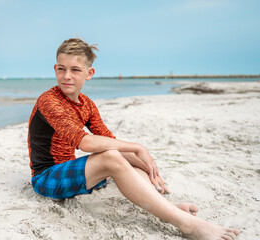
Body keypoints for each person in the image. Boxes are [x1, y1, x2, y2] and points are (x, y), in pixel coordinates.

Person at [27, 38, 240, 239]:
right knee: (112, 156)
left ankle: (169, 209)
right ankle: (188, 225)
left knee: (134, 166)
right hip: (47, 179)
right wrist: (138, 147)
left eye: (75, 70)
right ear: (55, 69)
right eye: (62, 69)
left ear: (89, 73)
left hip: (74, 172)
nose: (67, 76)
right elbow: (87, 143)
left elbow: (108, 139)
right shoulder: (49, 101)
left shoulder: (87, 104)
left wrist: (147, 167)